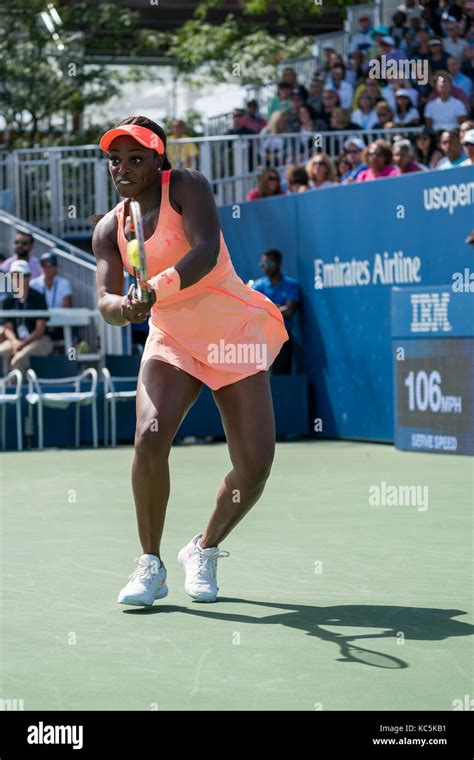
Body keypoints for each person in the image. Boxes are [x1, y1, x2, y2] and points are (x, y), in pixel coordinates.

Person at [93, 116, 288, 606]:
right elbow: (106, 303)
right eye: (115, 160)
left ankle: (203, 548)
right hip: (172, 339)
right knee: (150, 436)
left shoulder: (187, 187)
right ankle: (150, 564)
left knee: (256, 466)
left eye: (136, 157)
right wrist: (127, 307)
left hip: (232, 333)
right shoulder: (108, 230)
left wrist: (152, 290)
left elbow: (202, 252)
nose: (123, 167)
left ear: (160, 159)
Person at [0, 260, 53, 376]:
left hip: (40, 340)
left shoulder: (38, 297)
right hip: (17, 340)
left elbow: (40, 330)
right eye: (14, 276)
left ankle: (16, 391)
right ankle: (5, 390)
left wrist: (22, 343)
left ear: (29, 277)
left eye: (22, 276)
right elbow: (7, 327)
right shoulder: (7, 300)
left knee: (18, 360)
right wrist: (15, 342)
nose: (18, 279)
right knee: (2, 352)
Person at [251, 250, 300, 375]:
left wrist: (265, 310)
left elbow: (289, 310)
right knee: (259, 376)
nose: (266, 267)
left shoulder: (291, 285)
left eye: (270, 264)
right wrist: (276, 309)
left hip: (282, 339)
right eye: (263, 264)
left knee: (282, 376)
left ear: (279, 264)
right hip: (260, 338)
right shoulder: (257, 286)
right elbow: (252, 311)